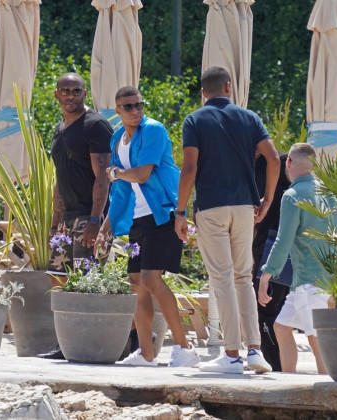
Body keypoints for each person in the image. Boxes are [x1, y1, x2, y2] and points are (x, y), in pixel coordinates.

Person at [175, 66, 279, 374]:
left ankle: (232, 355)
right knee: (243, 278)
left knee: (221, 278)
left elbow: (190, 167)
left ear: (203, 92)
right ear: (229, 88)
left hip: (211, 207)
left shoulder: (194, 120)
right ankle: (255, 351)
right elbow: (274, 158)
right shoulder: (249, 117)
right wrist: (268, 198)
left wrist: (180, 212)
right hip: (246, 207)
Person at [95, 86, 200, 368]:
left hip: (163, 213)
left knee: (151, 279)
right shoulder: (117, 139)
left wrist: (116, 173)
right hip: (138, 219)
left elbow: (141, 175)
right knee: (136, 283)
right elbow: (121, 193)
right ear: (117, 110)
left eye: (139, 105)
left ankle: (184, 349)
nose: (135, 111)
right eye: (128, 107)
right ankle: (146, 354)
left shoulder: (153, 130)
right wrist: (106, 226)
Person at [38, 73, 113, 360]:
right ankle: (67, 344)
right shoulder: (60, 129)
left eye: (77, 91)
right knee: (57, 276)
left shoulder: (95, 126)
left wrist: (95, 221)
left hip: (88, 215)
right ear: (56, 94)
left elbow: (103, 179)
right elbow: (60, 178)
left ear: (85, 93)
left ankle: (93, 344)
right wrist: (55, 223)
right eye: (65, 90)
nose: (71, 95)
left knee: (87, 279)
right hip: (67, 218)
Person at [258, 143, 337, 374]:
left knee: (317, 339)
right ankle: (289, 381)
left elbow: (283, 240)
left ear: (288, 163)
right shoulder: (331, 193)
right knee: (281, 327)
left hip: (309, 281)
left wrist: (267, 273)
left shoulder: (292, 195)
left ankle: (330, 392)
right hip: (322, 279)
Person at [252, 150, 292, 372]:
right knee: (275, 312)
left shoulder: (280, 162)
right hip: (267, 247)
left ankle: (277, 366)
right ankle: (280, 365)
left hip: (274, 247)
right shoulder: (275, 163)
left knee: (266, 311)